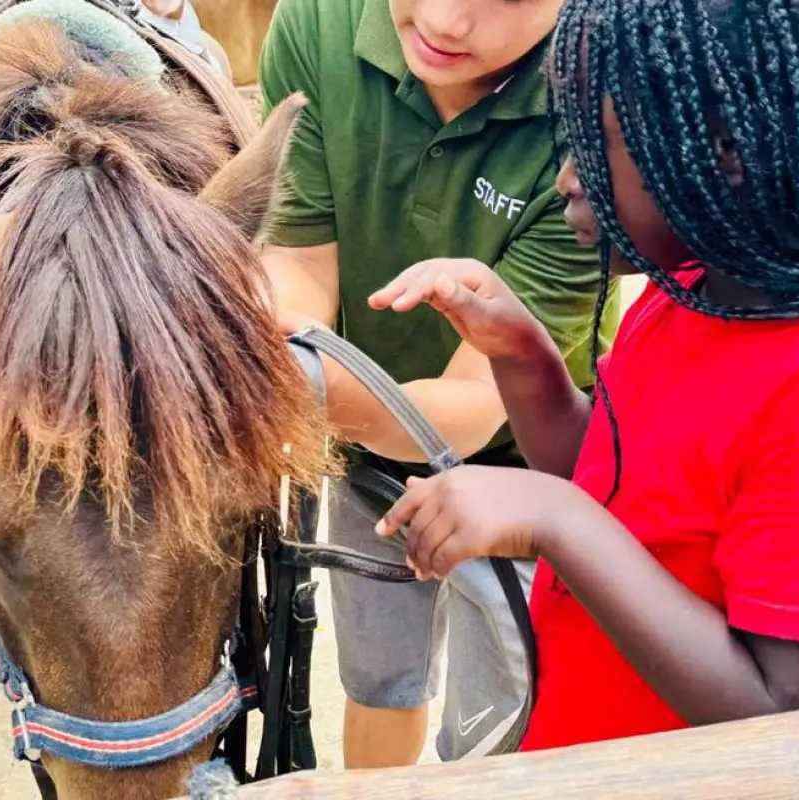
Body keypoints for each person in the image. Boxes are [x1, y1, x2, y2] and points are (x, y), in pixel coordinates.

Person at [373, 0, 799, 750]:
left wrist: (555, 518)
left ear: (728, 150)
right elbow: (608, 478)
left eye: (596, 148)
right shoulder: (695, 290)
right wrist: (521, 355)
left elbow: (786, 715)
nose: (566, 180)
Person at [256, 0, 619, 767]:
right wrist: (291, 363)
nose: (448, 22)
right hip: (361, 445)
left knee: (500, 723)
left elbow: (479, 401)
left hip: (531, 471)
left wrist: (285, 389)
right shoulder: (321, 21)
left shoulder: (601, 96)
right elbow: (297, 260)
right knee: (380, 679)